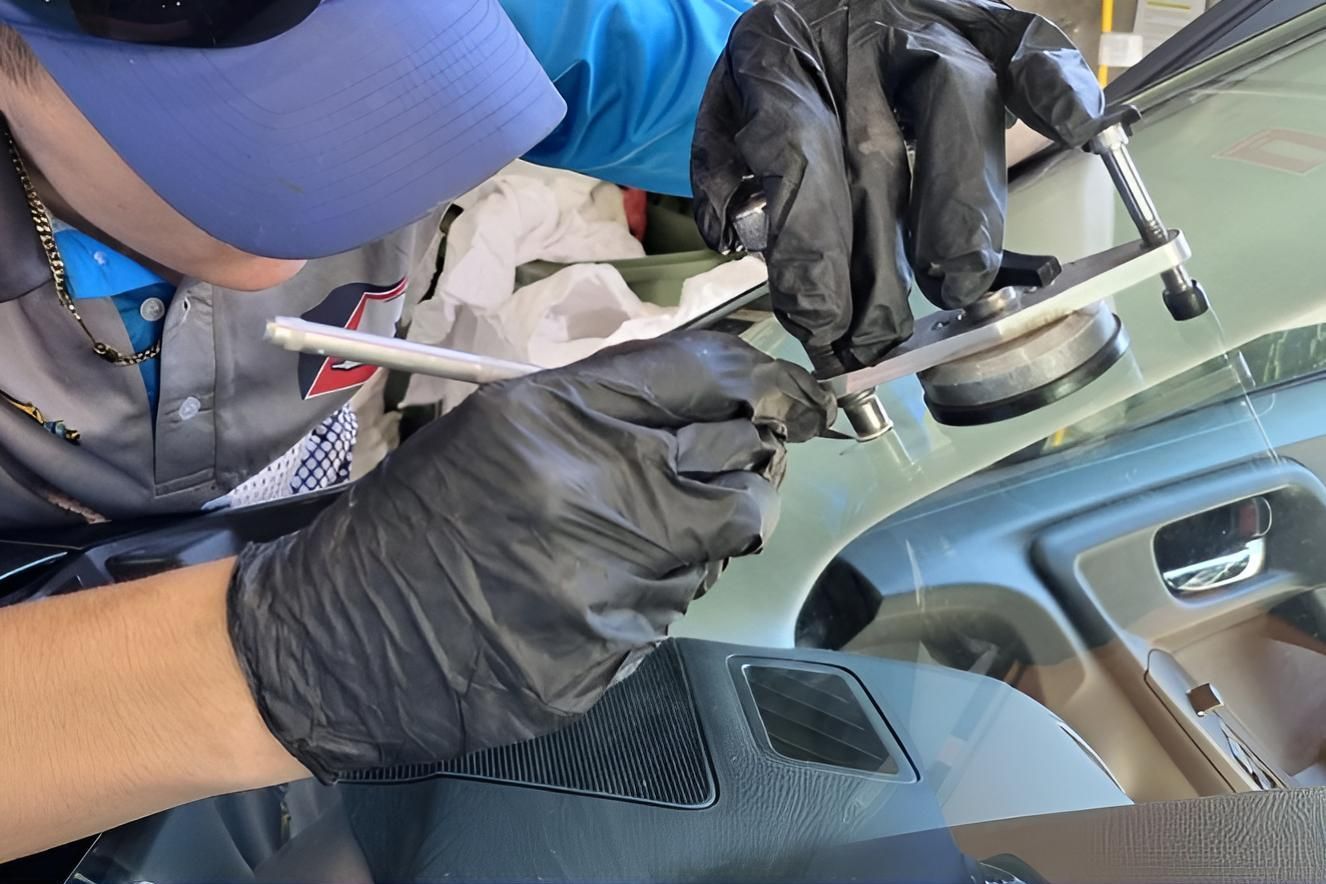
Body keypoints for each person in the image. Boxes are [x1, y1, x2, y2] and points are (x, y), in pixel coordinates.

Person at [0, 0, 1102, 863]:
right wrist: (271, 660)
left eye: (397, 85)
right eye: (261, 112)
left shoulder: (518, 18)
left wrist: (873, 77)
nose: (328, 205)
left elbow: (905, 123)